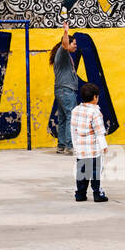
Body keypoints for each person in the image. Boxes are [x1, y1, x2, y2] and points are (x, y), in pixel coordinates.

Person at [71, 82, 108, 202]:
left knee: (81, 172)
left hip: (81, 149)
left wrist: (75, 145)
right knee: (95, 172)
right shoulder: (95, 112)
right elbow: (99, 132)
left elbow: (73, 129)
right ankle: (97, 194)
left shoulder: (75, 110)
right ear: (95, 97)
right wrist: (104, 146)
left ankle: (80, 194)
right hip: (93, 150)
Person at [50, 19, 79, 154]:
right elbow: (65, 44)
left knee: (62, 118)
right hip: (66, 91)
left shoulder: (63, 56)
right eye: (74, 43)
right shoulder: (62, 52)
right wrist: (66, 32)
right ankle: (69, 146)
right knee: (70, 117)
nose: (76, 46)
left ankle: (61, 145)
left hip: (62, 90)